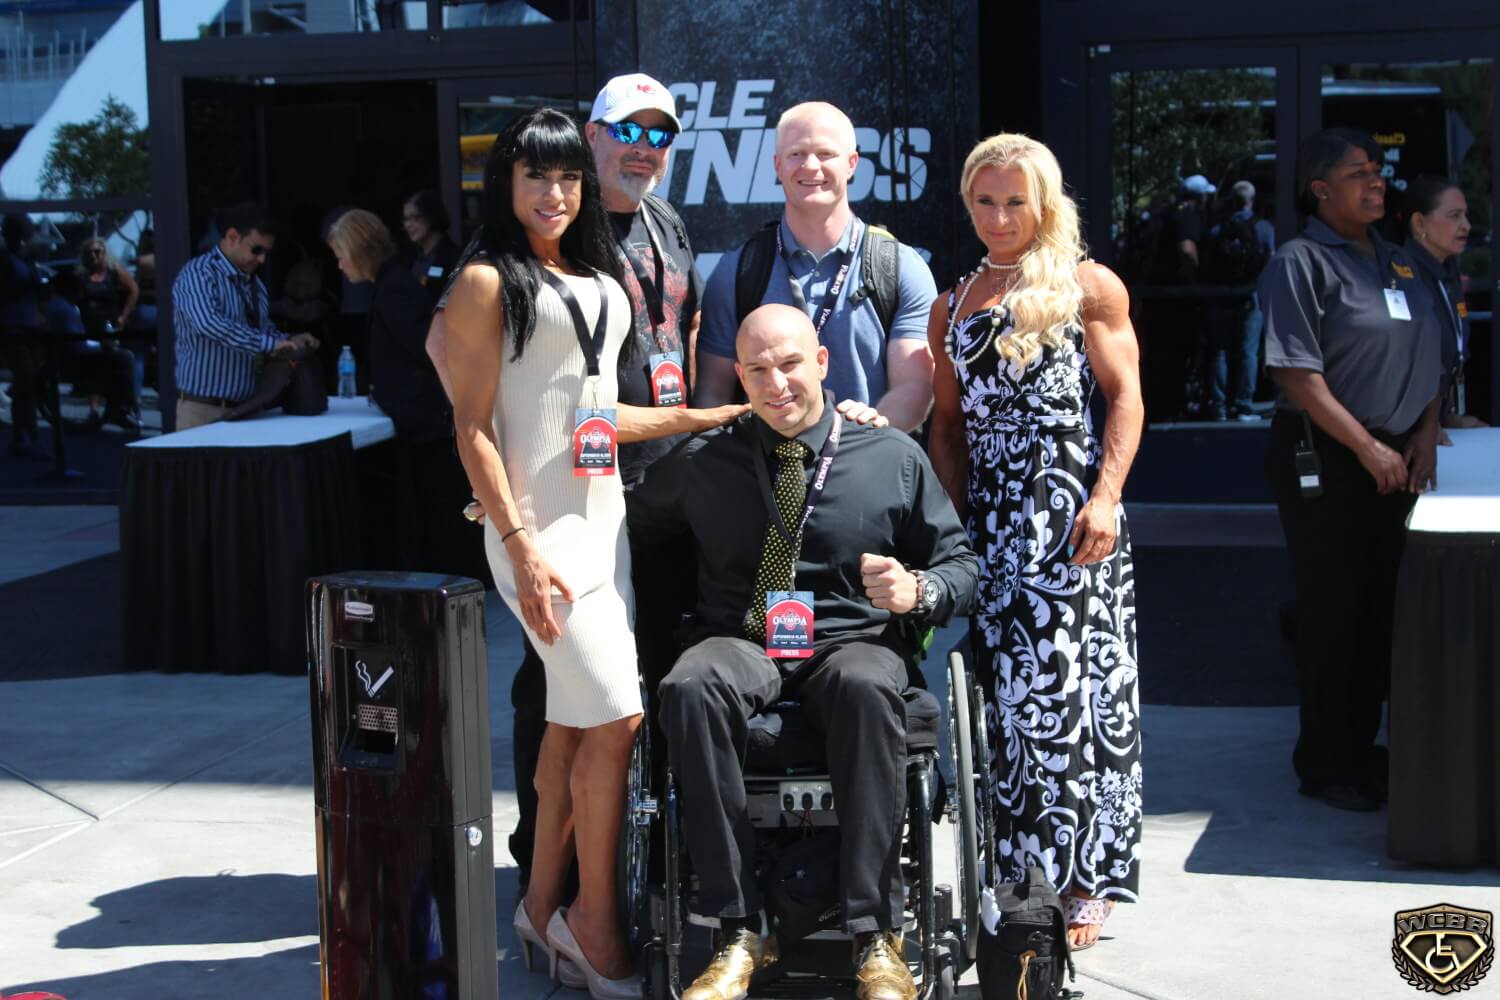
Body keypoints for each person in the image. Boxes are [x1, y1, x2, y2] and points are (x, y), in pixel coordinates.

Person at [440, 107, 745, 999]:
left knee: (576, 721)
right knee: (617, 716)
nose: (554, 192)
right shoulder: (487, 280)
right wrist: (518, 543)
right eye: (535, 175)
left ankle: (541, 907)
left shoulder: (594, 275)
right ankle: (595, 920)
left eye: (568, 176)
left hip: (601, 524)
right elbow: (472, 426)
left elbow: (592, 417)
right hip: (537, 533)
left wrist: (698, 416)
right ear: (506, 181)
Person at [629, 303, 978, 1000]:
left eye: (789, 364)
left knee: (866, 685)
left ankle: (875, 934)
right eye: (757, 370)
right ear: (739, 377)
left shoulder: (890, 456)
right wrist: (528, 510)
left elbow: (960, 565)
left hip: (851, 640)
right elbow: (622, 518)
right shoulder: (704, 461)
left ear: (821, 362)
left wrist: (918, 589)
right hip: (741, 638)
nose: (776, 383)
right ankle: (738, 929)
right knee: (689, 685)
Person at [927, 133, 1144, 951]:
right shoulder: (953, 305)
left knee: (1071, 696)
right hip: (991, 524)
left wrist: (1106, 497)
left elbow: (1126, 399)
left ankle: (1082, 879)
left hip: (1066, 518)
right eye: (984, 201)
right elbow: (948, 429)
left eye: (1015, 201)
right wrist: (948, 530)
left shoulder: (1088, 287)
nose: (999, 217)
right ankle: (1017, 879)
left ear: (1044, 203)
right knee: (1003, 705)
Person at [1260, 128, 1444, 813]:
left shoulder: (1398, 260)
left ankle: (1363, 749)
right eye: (1359, 173)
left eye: (1378, 170)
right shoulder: (1300, 262)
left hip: (1397, 456)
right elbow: (1296, 373)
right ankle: (1326, 762)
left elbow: (1437, 353)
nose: (1377, 182)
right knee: (1334, 610)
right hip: (1329, 455)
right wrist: (1367, 449)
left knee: (1379, 610)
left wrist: (1425, 432)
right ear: (1320, 190)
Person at [694, 101, 937, 431]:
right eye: (796, 154)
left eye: (825, 154)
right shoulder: (736, 272)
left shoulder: (900, 267)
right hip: (763, 463)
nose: (810, 166)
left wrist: (870, 436)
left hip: (867, 455)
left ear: (852, 163)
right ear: (778, 165)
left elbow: (914, 387)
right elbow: (713, 395)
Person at [325, 208, 479, 577]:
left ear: (357, 250)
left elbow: (429, 350)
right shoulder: (391, 284)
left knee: (439, 518)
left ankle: (455, 584)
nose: (339, 265)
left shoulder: (394, 289)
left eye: (341, 255)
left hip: (428, 425)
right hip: (421, 422)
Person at [171, 203, 318, 430]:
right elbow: (210, 324)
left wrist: (289, 340)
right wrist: (269, 343)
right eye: (256, 250)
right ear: (232, 237)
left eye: (266, 252)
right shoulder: (198, 274)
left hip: (249, 409)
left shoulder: (255, 285)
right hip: (203, 410)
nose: (262, 259)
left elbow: (262, 331)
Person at [1400, 175, 1485, 433]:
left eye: (1466, 215)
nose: (1466, 225)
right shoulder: (1400, 274)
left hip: (1439, 423)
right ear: (1419, 223)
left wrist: (1447, 418)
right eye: (1454, 216)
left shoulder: (1448, 272)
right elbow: (1402, 361)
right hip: (1407, 432)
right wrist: (1421, 426)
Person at [1203, 180, 1275, 421]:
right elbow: (1271, 260)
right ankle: (1243, 405)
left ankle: (1219, 406)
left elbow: (1208, 261)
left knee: (1220, 351)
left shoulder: (1218, 229)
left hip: (1222, 295)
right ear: (1251, 201)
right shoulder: (1264, 228)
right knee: (1248, 351)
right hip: (1250, 295)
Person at [75, 237, 142, 431]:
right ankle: (94, 411)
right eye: (89, 252)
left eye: (97, 252)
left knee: (117, 364)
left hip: (110, 326)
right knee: (92, 368)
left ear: (105, 253)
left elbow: (134, 290)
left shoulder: (114, 272)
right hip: (88, 327)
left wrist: (123, 316)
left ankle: (119, 409)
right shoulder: (81, 276)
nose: (94, 256)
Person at [1, 214, 47, 459]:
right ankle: (22, 435)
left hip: (32, 326)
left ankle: (29, 433)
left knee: (32, 382)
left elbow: (38, 292)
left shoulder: (28, 260)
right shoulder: (5, 259)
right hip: (12, 327)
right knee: (25, 378)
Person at [400, 189, 461, 305]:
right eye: (405, 219)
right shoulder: (409, 258)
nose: (408, 225)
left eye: (415, 217)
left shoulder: (452, 257)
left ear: (431, 215)